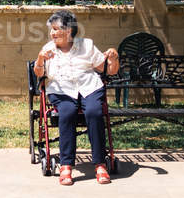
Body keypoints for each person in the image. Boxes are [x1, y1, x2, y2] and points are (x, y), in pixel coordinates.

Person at [34, 10, 120, 186]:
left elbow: (109, 70)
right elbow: (39, 74)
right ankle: (66, 165)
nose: (52, 33)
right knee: (67, 113)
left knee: (95, 112)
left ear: (68, 31)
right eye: (51, 29)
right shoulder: (48, 49)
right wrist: (40, 58)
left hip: (89, 87)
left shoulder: (87, 46)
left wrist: (114, 58)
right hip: (61, 90)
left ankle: (100, 164)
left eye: (56, 29)